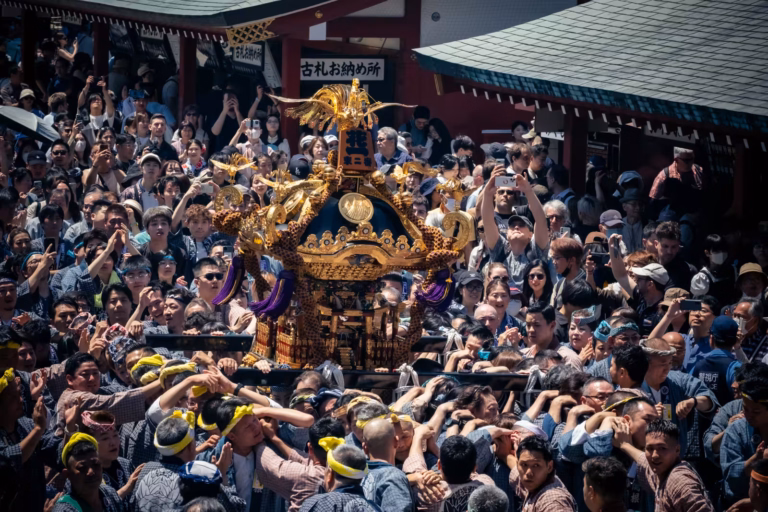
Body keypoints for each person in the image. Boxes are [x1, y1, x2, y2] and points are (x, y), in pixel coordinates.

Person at [614, 419, 714, 512]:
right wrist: (625, 445)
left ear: (677, 450)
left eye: (662, 448)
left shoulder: (679, 482)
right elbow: (643, 460)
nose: (655, 455)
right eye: (649, 448)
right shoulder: (661, 472)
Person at [482, 168, 549, 288]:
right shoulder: (500, 249)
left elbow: (541, 220)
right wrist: (487, 194)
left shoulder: (536, 250)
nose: (516, 227)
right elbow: (487, 221)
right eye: (512, 225)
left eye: (522, 225)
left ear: (531, 235)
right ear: (506, 234)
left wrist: (528, 191)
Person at [55, 434, 125, 512]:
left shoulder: (110, 494)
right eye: (82, 468)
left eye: (96, 465)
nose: (91, 472)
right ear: (67, 474)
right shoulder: (64, 509)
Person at [506, 435, 576, 512]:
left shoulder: (553, 502)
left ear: (549, 467)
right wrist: (504, 454)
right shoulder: (535, 484)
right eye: (524, 465)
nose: (529, 473)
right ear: (517, 464)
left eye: (536, 465)